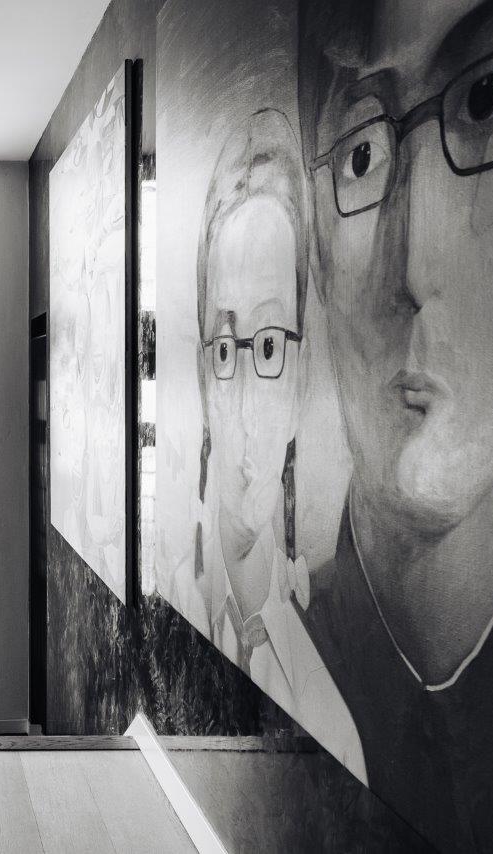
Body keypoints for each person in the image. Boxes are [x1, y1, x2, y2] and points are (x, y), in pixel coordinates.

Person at [298, 1, 493, 848]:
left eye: (486, 98)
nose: (414, 267)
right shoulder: (286, 663)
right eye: (362, 155)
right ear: (314, 251)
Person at [192, 109, 364, 778]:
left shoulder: (328, 724)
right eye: (224, 347)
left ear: (299, 381)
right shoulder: (171, 598)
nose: (240, 400)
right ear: (202, 378)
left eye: (267, 346)